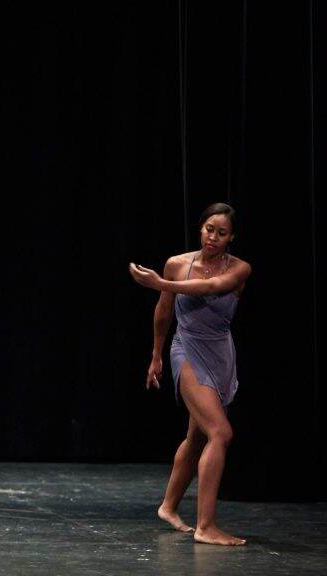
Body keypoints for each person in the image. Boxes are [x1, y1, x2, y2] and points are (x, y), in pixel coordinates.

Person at [129, 202, 251, 546]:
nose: (213, 237)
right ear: (200, 229)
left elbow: (213, 289)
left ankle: (168, 507)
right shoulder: (177, 264)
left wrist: (161, 283)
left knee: (198, 437)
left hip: (221, 355)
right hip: (188, 351)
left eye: (221, 232)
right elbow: (163, 311)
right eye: (209, 229)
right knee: (220, 433)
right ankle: (206, 526)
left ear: (231, 238)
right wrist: (155, 355)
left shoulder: (240, 269)